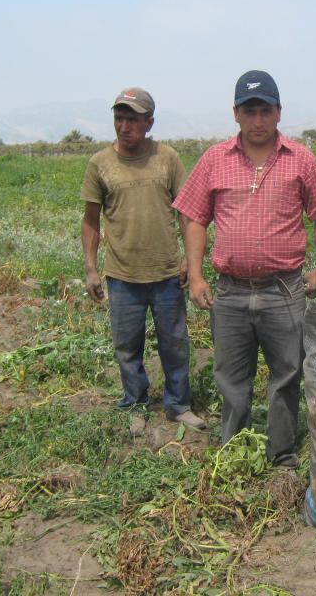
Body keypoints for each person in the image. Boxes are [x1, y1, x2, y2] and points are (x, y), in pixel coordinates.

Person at [173, 70, 316, 468]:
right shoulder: (214, 159)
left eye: (265, 110)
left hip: (285, 290)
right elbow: (193, 217)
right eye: (249, 111)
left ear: (279, 113)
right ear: (236, 114)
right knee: (231, 377)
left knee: (287, 375)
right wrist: (195, 274)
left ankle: (281, 451)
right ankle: (235, 450)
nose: (258, 119)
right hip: (232, 291)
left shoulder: (302, 159)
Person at [81, 87, 206, 435]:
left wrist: (189, 262)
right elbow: (90, 220)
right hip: (122, 277)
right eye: (119, 118)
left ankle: (178, 405)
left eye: (132, 119)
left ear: (149, 122)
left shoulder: (167, 159)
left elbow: (187, 212)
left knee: (175, 345)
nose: (124, 126)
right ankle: (135, 403)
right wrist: (91, 269)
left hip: (167, 274)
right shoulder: (100, 164)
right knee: (127, 347)